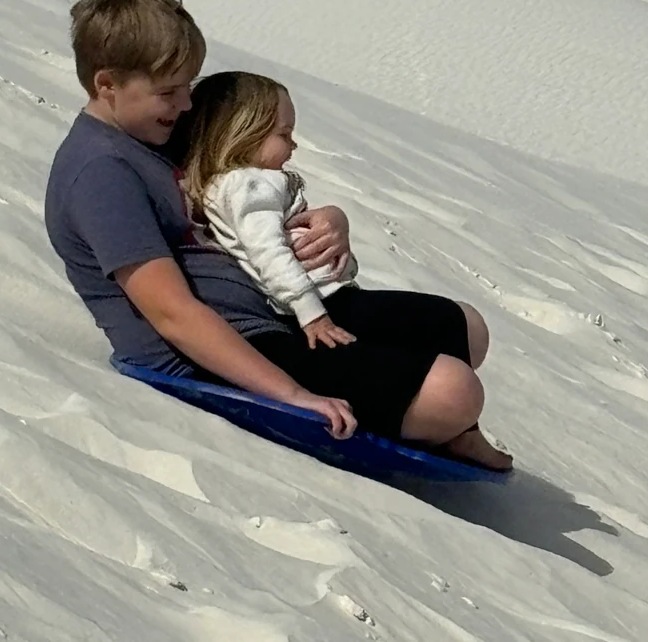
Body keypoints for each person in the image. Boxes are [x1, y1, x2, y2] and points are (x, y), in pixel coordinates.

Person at [43, 0, 512, 470]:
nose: (186, 105)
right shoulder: (101, 174)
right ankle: (436, 418)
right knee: (454, 391)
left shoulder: (151, 136)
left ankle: (427, 415)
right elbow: (172, 314)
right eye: (170, 92)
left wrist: (332, 220)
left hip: (275, 310)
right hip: (225, 352)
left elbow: (245, 191)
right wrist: (290, 394)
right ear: (107, 85)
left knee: (466, 329)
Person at [165, 70, 511, 469]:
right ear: (244, 132)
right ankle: (447, 424)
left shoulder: (243, 184)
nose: (292, 145)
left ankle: (459, 429)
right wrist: (312, 313)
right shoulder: (248, 185)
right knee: (449, 353)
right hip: (318, 308)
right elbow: (271, 254)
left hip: (325, 300)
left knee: (457, 324)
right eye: (283, 133)